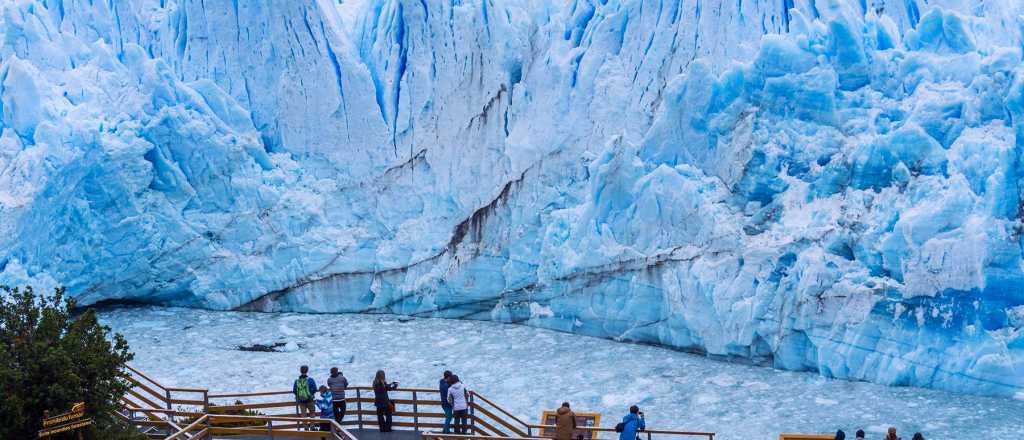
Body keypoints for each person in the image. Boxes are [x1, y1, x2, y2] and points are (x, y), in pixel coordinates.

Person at [293, 365, 318, 431]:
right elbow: (315, 389)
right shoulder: (310, 380)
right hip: (310, 400)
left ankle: (306, 428)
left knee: (303, 415)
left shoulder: (297, 381)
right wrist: (311, 394)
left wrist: (300, 396)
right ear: (307, 371)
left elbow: (294, 390)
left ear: (300, 371)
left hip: (301, 401)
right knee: (312, 413)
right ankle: (312, 427)